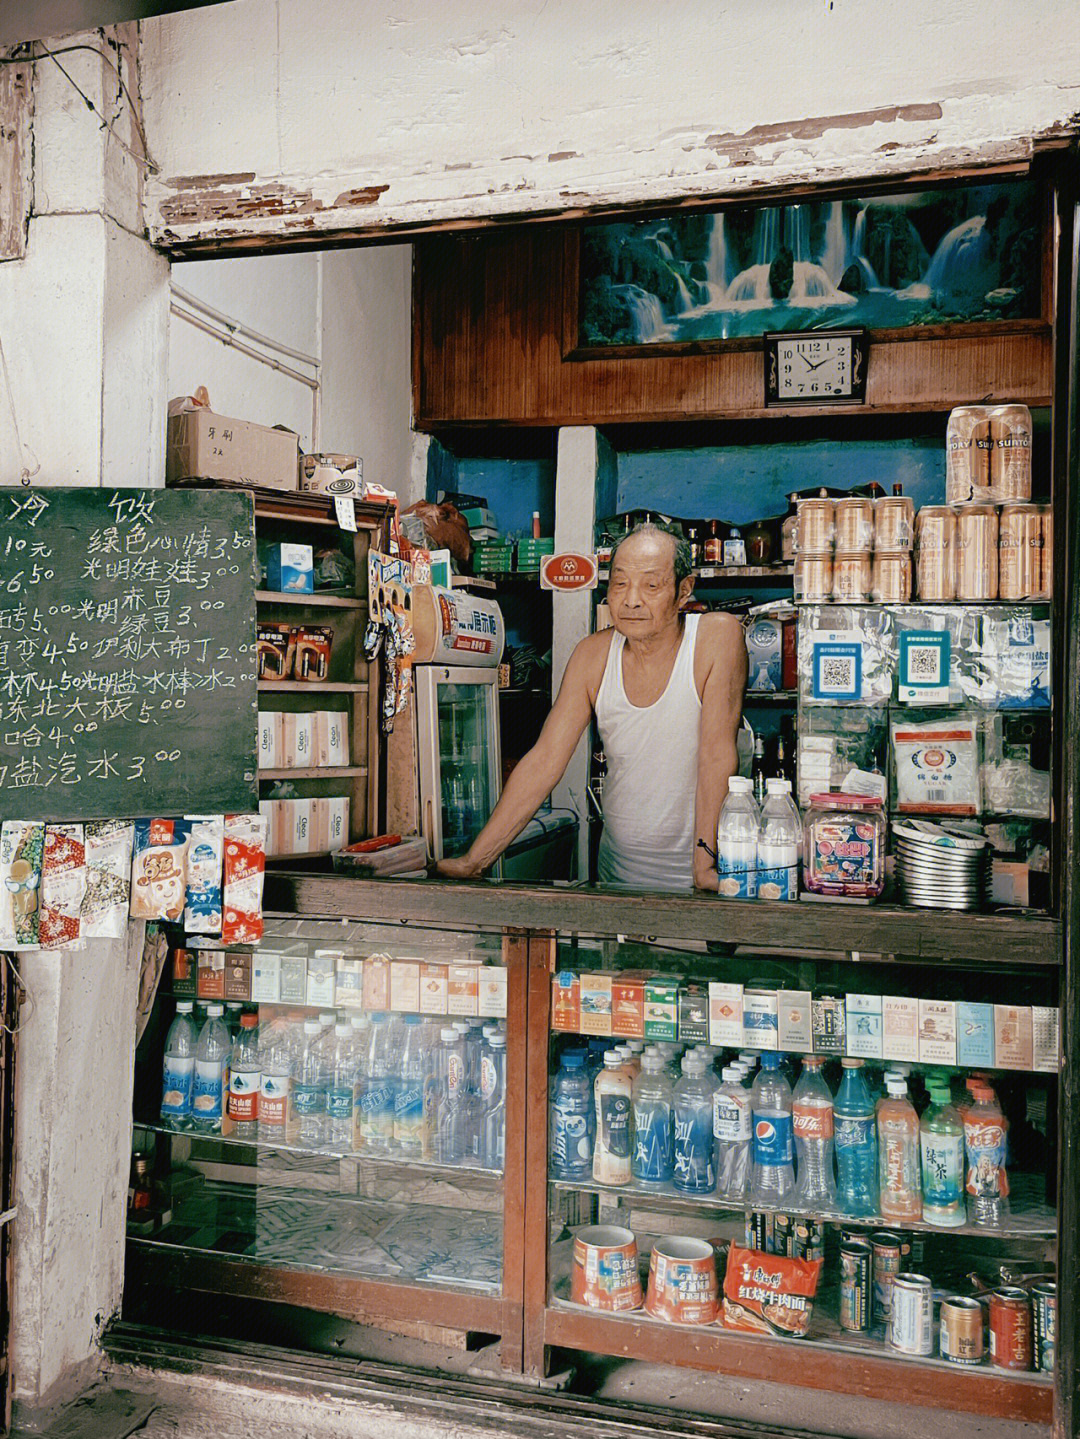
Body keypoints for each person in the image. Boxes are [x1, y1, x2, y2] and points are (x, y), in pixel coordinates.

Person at [437, 522, 747, 892]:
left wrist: (704, 866)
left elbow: (716, 754)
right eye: (619, 583)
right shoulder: (594, 655)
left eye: (651, 585)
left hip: (706, 880)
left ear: (684, 591)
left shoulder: (716, 637)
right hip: (618, 876)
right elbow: (545, 760)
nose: (631, 600)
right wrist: (476, 861)